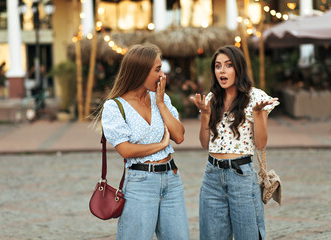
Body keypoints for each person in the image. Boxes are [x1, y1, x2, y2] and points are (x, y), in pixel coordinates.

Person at [99, 44, 189, 240]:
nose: (162, 75)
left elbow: (179, 136)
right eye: (157, 69)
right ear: (140, 72)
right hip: (140, 182)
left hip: (171, 179)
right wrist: (161, 145)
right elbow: (126, 150)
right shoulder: (114, 107)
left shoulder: (160, 99)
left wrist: (161, 103)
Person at [190, 45, 279, 240]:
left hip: (241, 176)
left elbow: (261, 143)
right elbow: (205, 144)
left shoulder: (256, 97)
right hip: (212, 176)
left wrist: (257, 114)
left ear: (238, 69)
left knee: (247, 235)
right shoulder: (213, 98)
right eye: (218, 66)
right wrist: (205, 115)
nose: (222, 70)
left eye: (228, 65)